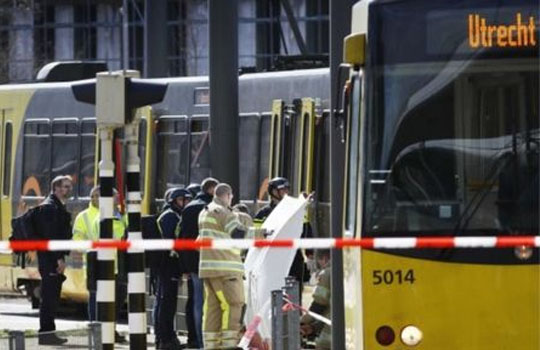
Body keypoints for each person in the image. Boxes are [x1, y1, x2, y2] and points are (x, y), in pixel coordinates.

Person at [198, 183, 265, 350]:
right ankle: (229, 346)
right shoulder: (223, 212)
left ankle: (211, 347)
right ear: (228, 196)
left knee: (212, 310)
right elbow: (238, 234)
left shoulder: (204, 212)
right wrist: (262, 233)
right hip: (226, 269)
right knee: (233, 305)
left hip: (209, 270)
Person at [254, 177, 313, 293]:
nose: (286, 193)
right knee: (272, 289)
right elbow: (256, 237)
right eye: (283, 190)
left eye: (287, 190)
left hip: (293, 255)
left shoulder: (295, 211)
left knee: (295, 288)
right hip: (271, 257)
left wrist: (309, 253)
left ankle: (294, 310)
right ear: (274, 192)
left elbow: (306, 230)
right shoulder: (263, 214)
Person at [180, 177, 218, 349]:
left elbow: (182, 238)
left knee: (197, 302)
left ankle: (198, 339)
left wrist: (185, 265)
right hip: (213, 261)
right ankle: (209, 341)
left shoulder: (188, 208)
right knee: (212, 303)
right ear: (211, 190)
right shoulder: (213, 208)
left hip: (194, 263)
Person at [35, 175, 73, 345]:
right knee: (49, 298)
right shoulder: (50, 207)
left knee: (52, 297)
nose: (69, 190)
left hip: (51, 257)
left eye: (69, 186)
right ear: (56, 188)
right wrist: (58, 259)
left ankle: (48, 332)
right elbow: (50, 236)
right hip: (50, 259)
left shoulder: (55, 206)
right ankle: (46, 334)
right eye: (66, 186)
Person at [90, 189, 128, 344]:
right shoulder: (104, 219)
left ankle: (110, 331)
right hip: (109, 267)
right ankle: (103, 335)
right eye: (114, 195)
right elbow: (116, 238)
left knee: (116, 302)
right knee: (108, 303)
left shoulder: (118, 216)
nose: (118, 197)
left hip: (117, 266)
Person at [155, 188, 192, 350]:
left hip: (171, 265)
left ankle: (168, 337)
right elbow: (172, 242)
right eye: (181, 200)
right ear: (173, 201)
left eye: (186, 200)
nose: (185, 203)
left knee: (169, 302)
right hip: (167, 265)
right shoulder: (169, 216)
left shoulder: (175, 215)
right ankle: (166, 338)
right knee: (167, 303)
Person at [72, 186, 100, 321]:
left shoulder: (116, 214)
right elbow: (77, 240)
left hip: (115, 263)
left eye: (99, 196)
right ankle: (95, 328)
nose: (95, 198)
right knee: (94, 297)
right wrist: (91, 249)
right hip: (93, 262)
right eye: (94, 196)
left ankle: (109, 330)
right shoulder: (83, 216)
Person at [300, 249, 331, 350]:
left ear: (324, 258)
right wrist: (313, 328)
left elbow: (319, 303)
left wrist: (304, 320)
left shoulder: (327, 273)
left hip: (332, 334)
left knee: (322, 345)